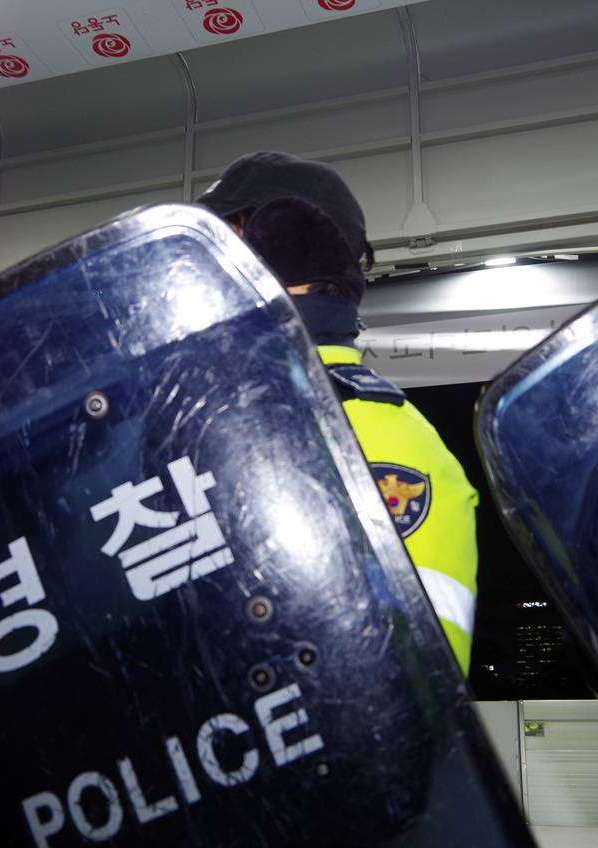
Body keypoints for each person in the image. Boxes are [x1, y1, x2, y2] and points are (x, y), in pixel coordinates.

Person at [197, 151, 480, 674]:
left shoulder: (376, 438)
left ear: (298, 254)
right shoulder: (206, 420)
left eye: (228, 243)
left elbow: (395, 686)